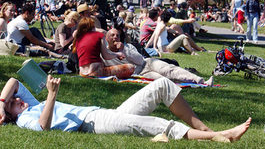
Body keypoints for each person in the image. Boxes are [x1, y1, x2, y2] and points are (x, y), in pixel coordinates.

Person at [0, 75, 251, 142]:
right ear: (14, 115)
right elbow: (43, 128)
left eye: (15, 99)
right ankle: (220, 136)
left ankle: (204, 128)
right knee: (155, 125)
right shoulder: (25, 119)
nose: (18, 99)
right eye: (14, 103)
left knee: (162, 84)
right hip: (93, 124)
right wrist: (52, 96)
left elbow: (13, 82)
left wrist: (2, 105)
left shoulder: (28, 103)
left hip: (101, 112)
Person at [105, 28, 213, 85]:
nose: (115, 38)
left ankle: (200, 80)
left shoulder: (127, 46)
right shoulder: (107, 54)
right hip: (140, 73)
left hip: (147, 63)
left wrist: (123, 49)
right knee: (164, 80)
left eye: (117, 35)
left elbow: (139, 60)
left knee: (169, 70)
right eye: (112, 35)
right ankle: (190, 83)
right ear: (107, 39)